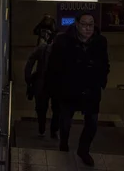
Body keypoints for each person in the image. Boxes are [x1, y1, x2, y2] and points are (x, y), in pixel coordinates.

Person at [46, 12, 110, 167]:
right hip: (69, 88)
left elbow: (104, 63)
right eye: (84, 24)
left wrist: (101, 79)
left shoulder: (100, 41)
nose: (88, 28)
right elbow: (54, 66)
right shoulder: (63, 41)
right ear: (77, 24)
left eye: (91, 25)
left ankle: (84, 150)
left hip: (91, 88)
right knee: (66, 121)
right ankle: (64, 143)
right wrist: (54, 88)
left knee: (92, 122)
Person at [24, 33, 59, 139]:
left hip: (42, 82)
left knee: (42, 108)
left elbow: (30, 61)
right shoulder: (63, 51)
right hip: (55, 84)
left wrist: (28, 78)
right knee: (57, 109)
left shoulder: (42, 48)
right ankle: (53, 131)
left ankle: (42, 129)